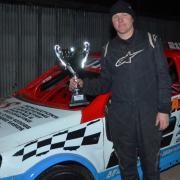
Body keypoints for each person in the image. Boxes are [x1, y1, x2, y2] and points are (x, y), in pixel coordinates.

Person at [69, 0, 171, 179]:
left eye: (124, 15)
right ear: (112, 22)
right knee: (127, 169)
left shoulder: (151, 41)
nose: (120, 20)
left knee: (151, 168)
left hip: (149, 116)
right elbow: (105, 83)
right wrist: (83, 84)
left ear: (132, 19)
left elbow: (163, 77)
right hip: (121, 120)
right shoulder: (108, 49)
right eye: (115, 17)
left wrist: (163, 110)